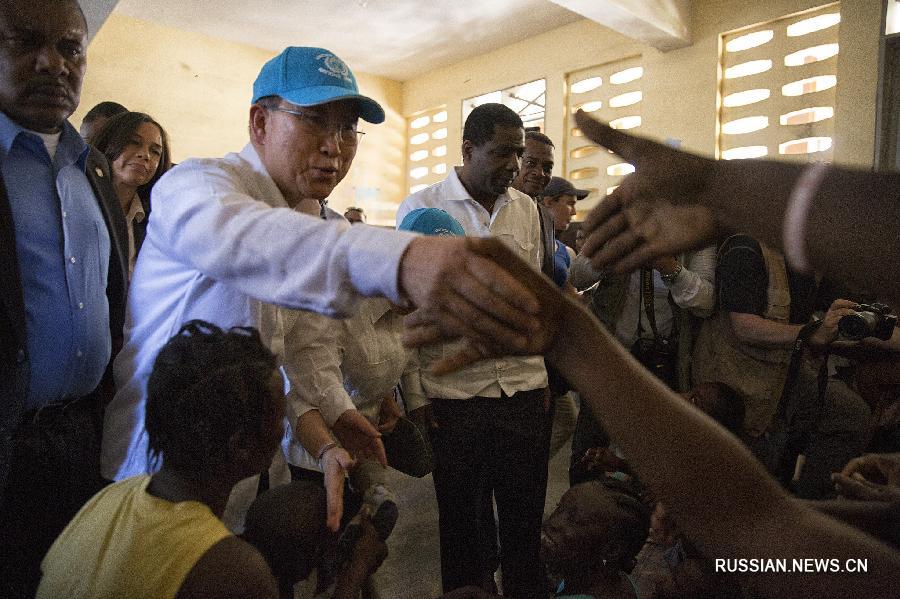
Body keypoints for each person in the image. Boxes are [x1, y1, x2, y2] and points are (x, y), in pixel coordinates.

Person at [101, 47, 543, 534]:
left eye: (348, 128)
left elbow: (305, 345)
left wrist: (337, 415)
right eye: (315, 120)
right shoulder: (199, 186)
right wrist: (405, 258)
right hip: (154, 470)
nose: (335, 146)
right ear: (260, 123)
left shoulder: (308, 214)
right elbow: (248, 241)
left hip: (237, 469)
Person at [405, 242, 900, 598]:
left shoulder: (702, 249)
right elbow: (577, 277)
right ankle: (577, 552)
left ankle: (608, 548)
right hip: (615, 355)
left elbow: (703, 301)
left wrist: (667, 265)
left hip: (660, 362)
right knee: (590, 469)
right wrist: (607, 255)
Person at [38, 321, 386, 599]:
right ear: (240, 447)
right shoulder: (232, 571)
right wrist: (353, 574)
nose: (284, 430)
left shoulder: (112, 498)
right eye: (277, 418)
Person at [0, 1, 129, 595]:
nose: (51, 63)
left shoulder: (94, 170)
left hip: (85, 440)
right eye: (25, 42)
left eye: (70, 48)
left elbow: (112, 299)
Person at [397, 103, 550, 598]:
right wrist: (417, 398)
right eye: (503, 152)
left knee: (525, 524)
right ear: (467, 149)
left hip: (524, 392)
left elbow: (536, 297)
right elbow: (409, 312)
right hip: (454, 398)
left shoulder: (527, 210)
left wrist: (542, 376)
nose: (514, 165)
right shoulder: (422, 207)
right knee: (463, 530)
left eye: (519, 154)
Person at [571, 110, 900, 308]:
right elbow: (579, 275)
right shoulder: (630, 223)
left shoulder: (691, 235)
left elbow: (702, 301)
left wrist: (712, 185)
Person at [91, 111, 172, 275]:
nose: (145, 155)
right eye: (134, 142)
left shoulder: (155, 217)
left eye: (155, 151)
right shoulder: (84, 200)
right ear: (109, 144)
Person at [541, 480, 650, 598]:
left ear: (613, 550)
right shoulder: (621, 581)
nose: (554, 522)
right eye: (559, 507)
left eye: (576, 520)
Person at [511, 130, 557, 280]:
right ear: (515, 161)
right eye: (531, 163)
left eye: (547, 168)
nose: (540, 173)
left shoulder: (547, 216)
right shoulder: (494, 207)